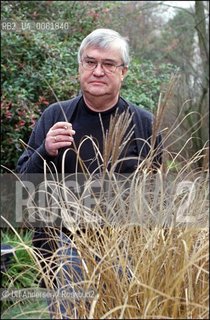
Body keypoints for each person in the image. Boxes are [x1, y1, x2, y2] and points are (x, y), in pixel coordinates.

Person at [16, 28, 162, 318]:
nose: (98, 71)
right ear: (80, 67)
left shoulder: (144, 123)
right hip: (61, 253)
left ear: (123, 72)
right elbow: (23, 189)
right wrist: (45, 151)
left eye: (108, 64)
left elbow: (155, 199)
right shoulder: (55, 116)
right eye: (90, 62)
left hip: (125, 256)